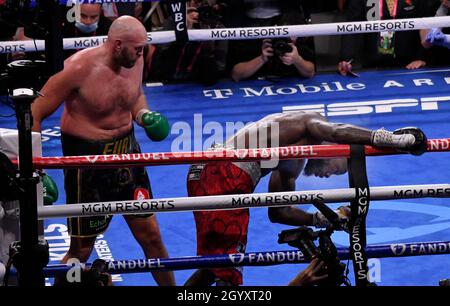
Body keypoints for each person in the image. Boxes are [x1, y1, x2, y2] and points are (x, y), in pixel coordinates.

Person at [185, 111, 427, 286]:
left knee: (212, 267)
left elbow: (278, 211)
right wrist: (394, 140)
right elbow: (337, 130)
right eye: (338, 167)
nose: (329, 174)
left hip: (209, 172)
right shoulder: (308, 122)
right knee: (228, 273)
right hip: (224, 173)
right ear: (334, 145)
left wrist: (321, 218)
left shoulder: (291, 158)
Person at [31, 16, 175, 286]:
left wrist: (143, 115)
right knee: (81, 250)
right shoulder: (77, 68)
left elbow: (135, 94)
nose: (143, 53)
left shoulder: (134, 57)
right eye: (138, 49)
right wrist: (36, 169)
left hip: (127, 154)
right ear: (118, 44)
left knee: (152, 237)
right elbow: (33, 113)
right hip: (88, 163)